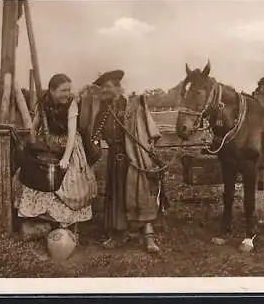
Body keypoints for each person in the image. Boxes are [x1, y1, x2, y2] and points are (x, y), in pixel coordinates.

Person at [79, 70, 164, 253]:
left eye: (108, 87)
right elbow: (92, 131)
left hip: (135, 156)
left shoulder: (132, 105)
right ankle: (119, 234)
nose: (105, 91)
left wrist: (144, 151)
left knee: (140, 192)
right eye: (103, 88)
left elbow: (146, 130)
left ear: (118, 87)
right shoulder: (103, 108)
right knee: (117, 194)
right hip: (115, 157)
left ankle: (148, 235)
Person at [14, 73, 98, 233]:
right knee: (38, 178)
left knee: (69, 183)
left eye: (68, 89)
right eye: (62, 90)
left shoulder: (71, 103)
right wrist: (33, 145)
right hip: (49, 144)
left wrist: (66, 158)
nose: (66, 93)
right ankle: (43, 222)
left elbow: (72, 133)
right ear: (52, 90)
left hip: (69, 145)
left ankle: (67, 224)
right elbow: (33, 127)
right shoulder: (43, 102)